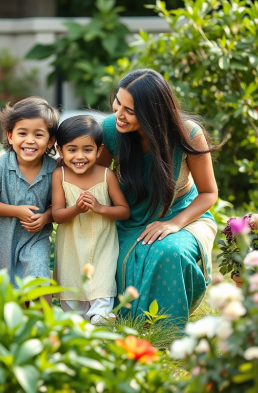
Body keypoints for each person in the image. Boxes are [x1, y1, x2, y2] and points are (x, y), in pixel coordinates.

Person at [98, 69, 220, 326]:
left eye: (130, 111)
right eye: (118, 102)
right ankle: (122, 320)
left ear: (153, 113)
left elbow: (209, 193)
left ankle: (164, 330)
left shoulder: (188, 134)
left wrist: (174, 224)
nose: (119, 113)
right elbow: (92, 178)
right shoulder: (110, 130)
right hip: (126, 216)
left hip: (183, 215)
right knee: (105, 253)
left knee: (168, 251)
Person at [0, 97, 59, 300]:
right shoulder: (1, 166)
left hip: (35, 239)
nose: (30, 140)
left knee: (38, 280)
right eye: (22, 133)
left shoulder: (54, 169)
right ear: (10, 136)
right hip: (1, 240)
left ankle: (46, 328)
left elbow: (58, 206)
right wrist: (16, 210)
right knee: (4, 290)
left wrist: (46, 217)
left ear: (50, 141)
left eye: (38, 135)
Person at [52, 116, 130, 324]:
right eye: (72, 149)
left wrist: (100, 208)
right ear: (60, 151)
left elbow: (124, 211)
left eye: (87, 149)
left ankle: (102, 316)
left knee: (101, 284)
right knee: (72, 297)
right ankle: (76, 322)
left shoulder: (107, 176)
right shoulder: (59, 175)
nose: (80, 156)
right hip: (71, 247)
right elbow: (57, 215)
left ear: (99, 150)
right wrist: (76, 209)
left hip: (102, 246)